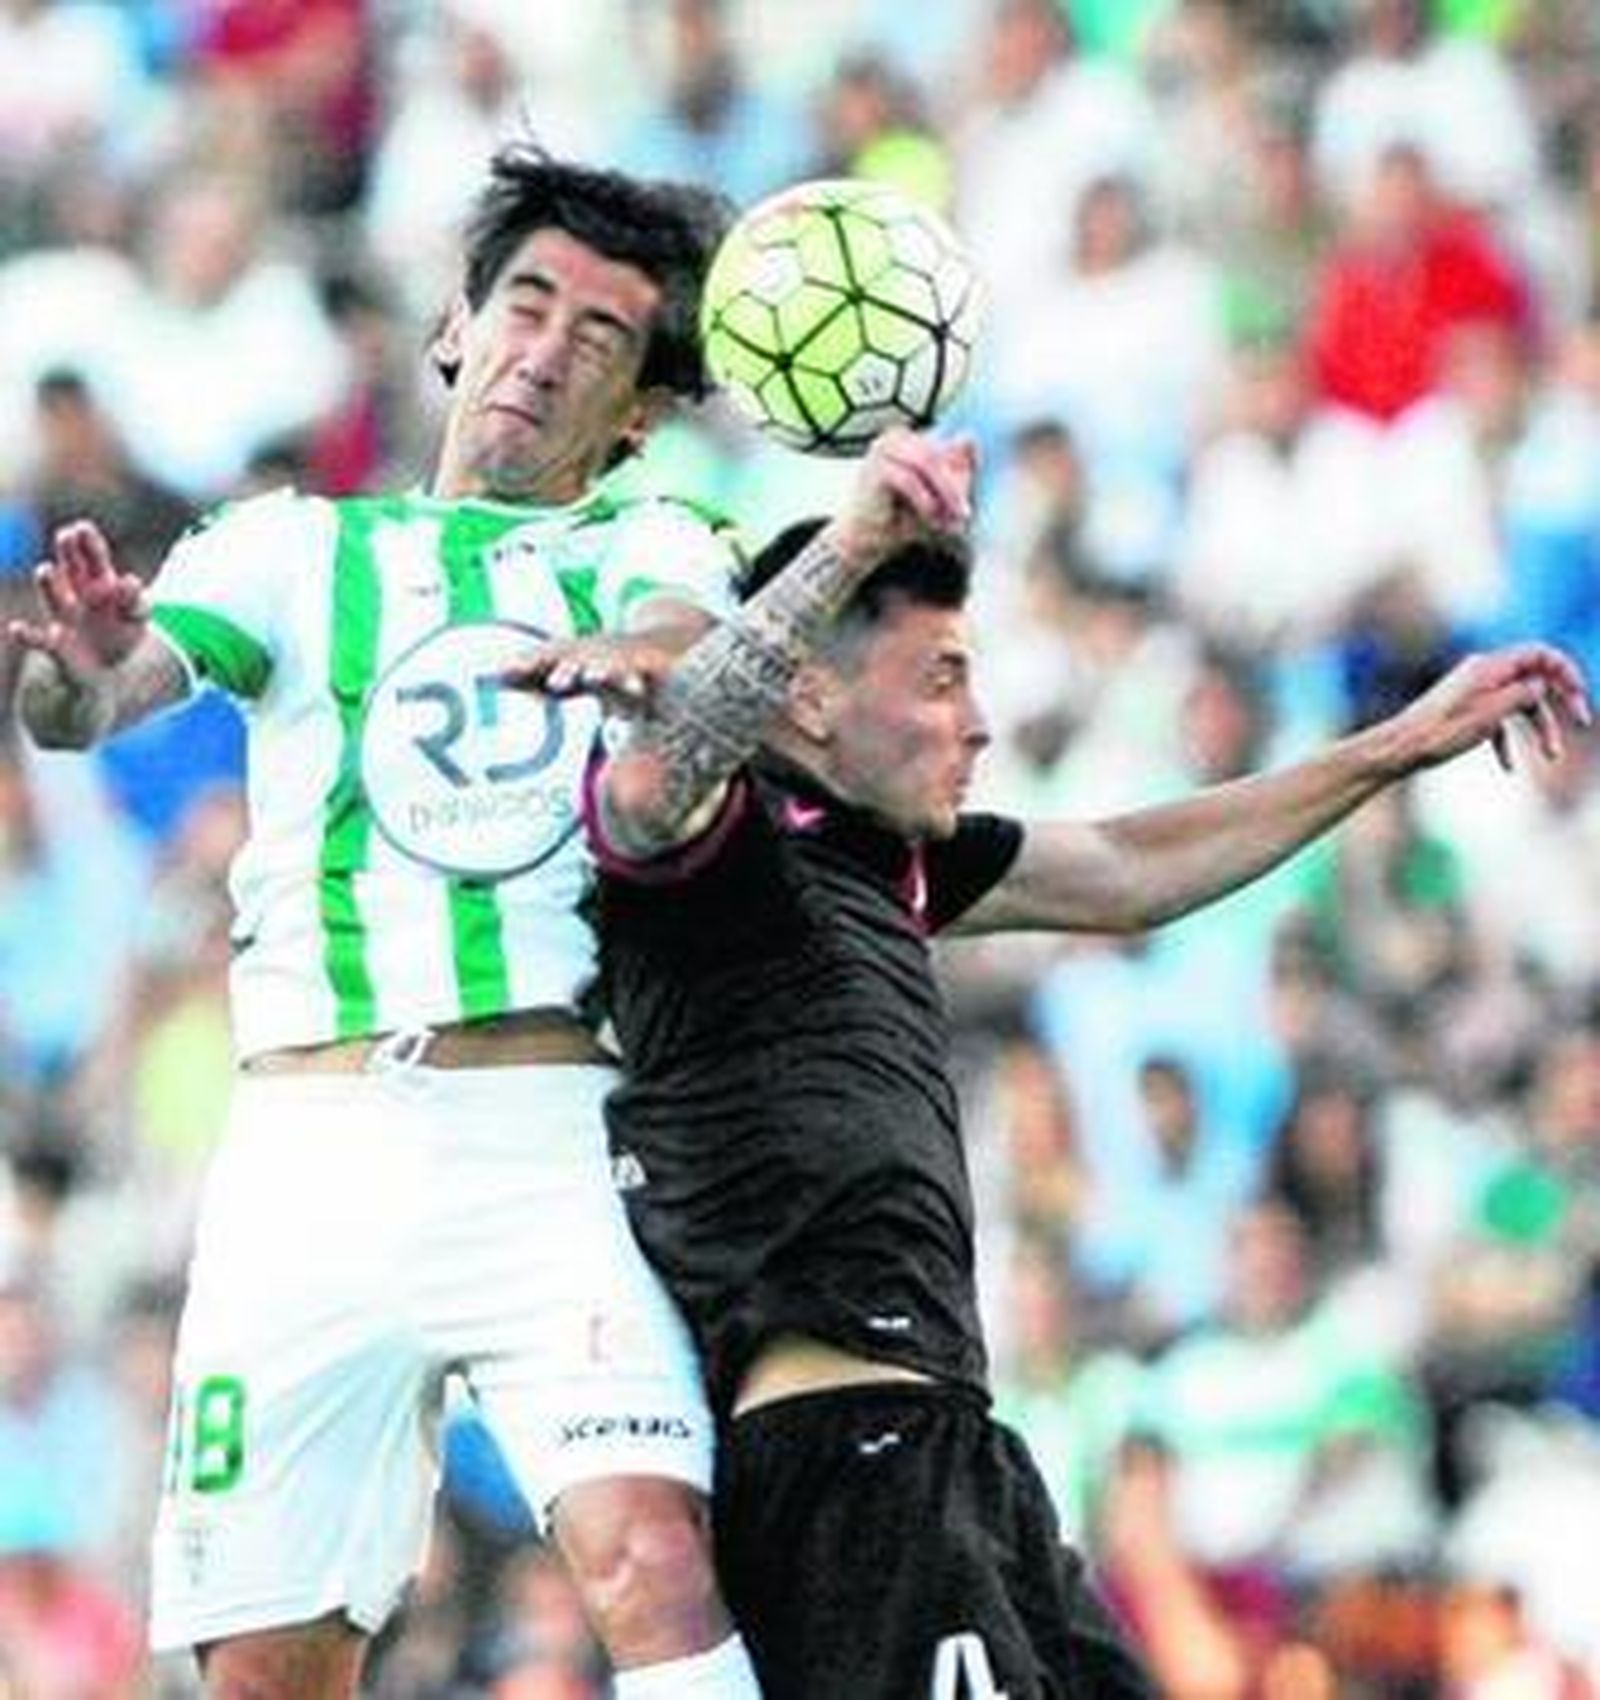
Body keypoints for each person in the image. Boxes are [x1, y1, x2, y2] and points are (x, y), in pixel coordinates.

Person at [519, 424, 1590, 1698]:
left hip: (958, 1448)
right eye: (941, 680)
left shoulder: (886, 854)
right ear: (811, 696)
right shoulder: (719, 860)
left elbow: (1129, 868)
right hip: (845, 1462)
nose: (977, 723)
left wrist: (1392, 746)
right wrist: (858, 536)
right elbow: (657, 773)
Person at [6, 143, 761, 1700]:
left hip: (540, 1126)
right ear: (454, 328)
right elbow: (87, 706)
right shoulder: (289, 549)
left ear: (637, 414)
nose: (546, 352)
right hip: (310, 1150)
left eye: (603, 339)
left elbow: (698, 649)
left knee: (654, 1561)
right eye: (527, 305)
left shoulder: (649, 546)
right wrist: (74, 668)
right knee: (268, 1668)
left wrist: (645, 658)